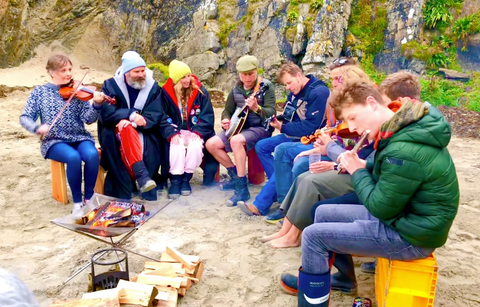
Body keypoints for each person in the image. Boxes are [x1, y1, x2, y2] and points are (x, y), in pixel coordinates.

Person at [281, 79, 459, 306]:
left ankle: (312, 298)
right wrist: (366, 166)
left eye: (353, 118)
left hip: (413, 236)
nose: (352, 128)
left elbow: (379, 206)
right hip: (408, 219)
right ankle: (328, 280)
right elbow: (393, 175)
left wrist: (356, 170)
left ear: (372, 103)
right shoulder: (403, 127)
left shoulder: (402, 148)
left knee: (312, 236)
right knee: (323, 213)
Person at [259, 65, 375, 248]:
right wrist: (321, 147)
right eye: (333, 80)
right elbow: (341, 138)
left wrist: (331, 161)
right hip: (337, 154)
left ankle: (292, 233)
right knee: (285, 159)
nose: (334, 84)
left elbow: (360, 153)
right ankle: (285, 228)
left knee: (302, 172)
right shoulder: (345, 106)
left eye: (338, 80)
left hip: (349, 167)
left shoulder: (330, 97)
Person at [237, 61, 330, 216]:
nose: (288, 87)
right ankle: (281, 183)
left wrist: (281, 127)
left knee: (282, 152)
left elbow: (310, 127)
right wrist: (276, 119)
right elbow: (288, 115)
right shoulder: (295, 91)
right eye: (285, 84)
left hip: (309, 138)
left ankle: (262, 204)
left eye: (289, 82)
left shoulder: (318, 92)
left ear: (299, 76)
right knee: (262, 146)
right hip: (293, 134)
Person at [20, 54, 106, 215]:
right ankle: (77, 202)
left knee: (92, 154)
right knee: (73, 157)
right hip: (54, 141)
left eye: (70, 69)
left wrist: (97, 105)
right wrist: (36, 128)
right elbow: (25, 117)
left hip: (79, 136)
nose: (68, 74)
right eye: (63, 70)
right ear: (52, 72)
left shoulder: (77, 91)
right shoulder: (40, 93)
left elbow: (88, 119)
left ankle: (89, 198)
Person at [98, 51, 170, 201]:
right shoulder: (110, 85)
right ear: (126, 73)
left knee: (131, 131)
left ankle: (141, 177)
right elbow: (106, 114)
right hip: (114, 131)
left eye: (143, 70)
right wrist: (130, 115)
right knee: (124, 130)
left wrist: (131, 123)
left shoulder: (153, 87)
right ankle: (141, 177)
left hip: (145, 130)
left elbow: (154, 115)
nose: (141, 74)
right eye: (136, 71)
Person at [205, 55, 276, 206]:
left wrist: (257, 108)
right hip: (239, 127)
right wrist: (225, 120)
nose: (248, 78)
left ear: (256, 71)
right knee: (211, 144)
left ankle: (242, 188)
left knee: (236, 141)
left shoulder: (266, 87)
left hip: (260, 128)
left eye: (251, 74)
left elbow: (272, 112)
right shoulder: (236, 89)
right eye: (244, 74)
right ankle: (235, 176)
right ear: (239, 74)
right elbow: (227, 110)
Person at [159, 60, 216, 199]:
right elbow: (161, 116)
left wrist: (198, 131)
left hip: (194, 128)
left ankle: (186, 178)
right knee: (176, 144)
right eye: (183, 77)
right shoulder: (165, 93)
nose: (187, 80)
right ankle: (175, 179)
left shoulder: (199, 91)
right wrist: (171, 132)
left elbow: (207, 115)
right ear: (176, 80)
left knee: (195, 145)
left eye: (189, 75)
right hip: (176, 129)